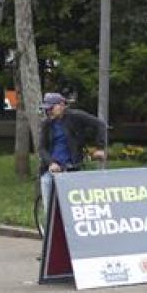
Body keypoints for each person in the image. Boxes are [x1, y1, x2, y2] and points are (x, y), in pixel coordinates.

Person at [37, 92, 107, 220]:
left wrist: (100, 148)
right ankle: (48, 234)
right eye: (46, 109)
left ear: (62, 105)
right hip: (50, 171)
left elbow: (100, 125)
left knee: (73, 209)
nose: (48, 112)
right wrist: (51, 163)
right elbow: (41, 148)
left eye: (51, 108)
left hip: (71, 169)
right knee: (50, 211)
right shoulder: (46, 124)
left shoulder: (75, 117)